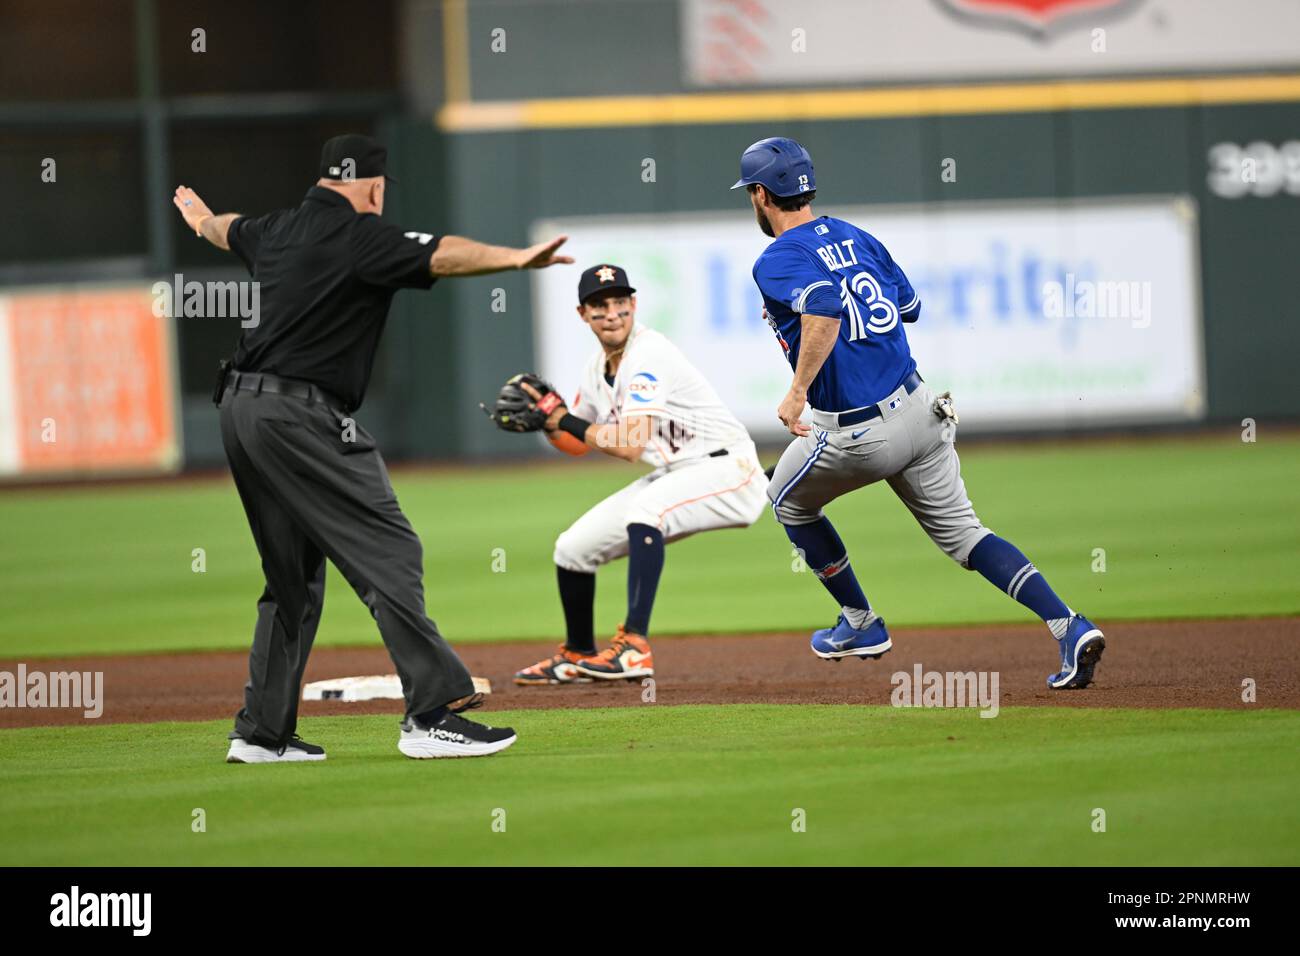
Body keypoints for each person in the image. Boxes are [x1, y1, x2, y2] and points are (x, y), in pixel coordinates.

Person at [171, 133, 573, 762]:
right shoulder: (362, 237)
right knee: (389, 547)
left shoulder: (277, 229)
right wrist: (518, 259)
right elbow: (445, 254)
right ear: (374, 187)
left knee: (291, 580)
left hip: (241, 411)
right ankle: (430, 714)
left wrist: (199, 222)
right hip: (300, 416)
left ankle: (261, 733)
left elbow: (228, 229)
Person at [735, 136, 1105, 689]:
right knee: (967, 537)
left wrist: (795, 393)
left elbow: (827, 308)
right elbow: (908, 307)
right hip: (923, 412)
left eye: (750, 193)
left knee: (786, 503)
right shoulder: (857, 236)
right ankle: (1069, 625)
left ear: (761, 194)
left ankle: (860, 622)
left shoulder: (777, 257)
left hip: (860, 433)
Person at [508, 264, 769, 685]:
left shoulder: (649, 355)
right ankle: (576, 653)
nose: (611, 313)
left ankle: (634, 647)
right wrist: (548, 423)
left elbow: (628, 445)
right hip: (676, 472)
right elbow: (577, 440)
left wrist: (564, 420)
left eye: (619, 303)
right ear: (582, 314)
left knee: (647, 509)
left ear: (633, 306)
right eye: (599, 305)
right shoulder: (596, 368)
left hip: (728, 468)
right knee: (572, 548)